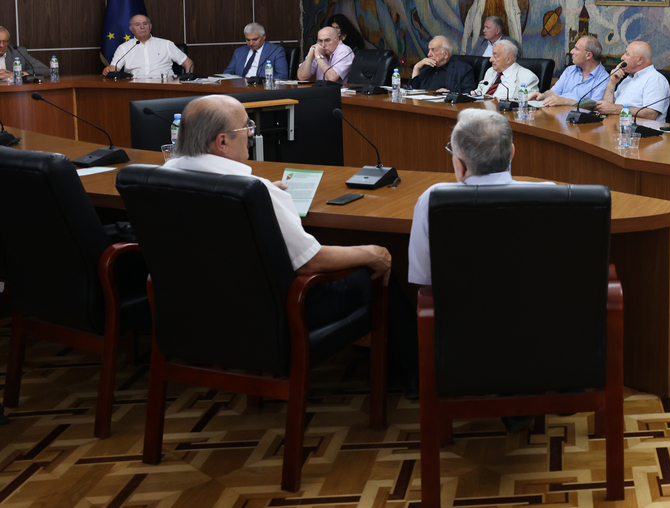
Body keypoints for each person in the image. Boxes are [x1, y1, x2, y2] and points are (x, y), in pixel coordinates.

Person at [163, 95, 416, 382]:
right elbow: (310, 262)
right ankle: (412, 376)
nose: (251, 134)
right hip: (278, 312)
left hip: (197, 307)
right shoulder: (256, 191)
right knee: (376, 270)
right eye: (246, 127)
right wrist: (372, 253)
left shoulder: (162, 178)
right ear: (222, 142)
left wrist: (262, 196)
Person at [407, 107, 547, 429]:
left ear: (459, 164)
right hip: (539, 335)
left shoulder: (433, 200)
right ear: (512, 152)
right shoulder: (551, 196)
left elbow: (424, 280)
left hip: (462, 338)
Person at [596, 39, 669, 121]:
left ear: (640, 60)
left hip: (640, 128)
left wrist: (616, 109)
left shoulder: (655, 79)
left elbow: (651, 114)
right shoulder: (628, 79)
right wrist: (611, 83)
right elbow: (607, 109)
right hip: (616, 126)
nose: (622, 58)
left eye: (627, 54)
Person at [103, 14, 192, 78]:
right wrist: (109, 69)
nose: (142, 27)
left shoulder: (166, 44)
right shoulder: (124, 48)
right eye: (137, 24)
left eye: (145, 24)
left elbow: (188, 63)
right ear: (131, 29)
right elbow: (114, 68)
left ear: (150, 26)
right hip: (135, 88)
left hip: (165, 86)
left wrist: (188, 79)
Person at [529, 34, 608, 106]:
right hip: (557, 113)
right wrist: (543, 95)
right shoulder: (570, 70)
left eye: (576, 49)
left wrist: (565, 101)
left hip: (578, 116)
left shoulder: (604, 79)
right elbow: (554, 92)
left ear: (588, 55)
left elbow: (594, 107)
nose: (571, 51)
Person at [471, 37, 539, 100]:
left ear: (508, 60)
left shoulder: (528, 77)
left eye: (495, 56)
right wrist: (475, 94)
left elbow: (529, 103)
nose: (490, 59)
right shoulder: (490, 71)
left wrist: (496, 100)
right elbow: (479, 91)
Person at [223, 22, 288, 80]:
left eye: (255, 39)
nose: (251, 43)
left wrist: (262, 81)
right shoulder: (239, 51)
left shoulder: (276, 51)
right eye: (248, 40)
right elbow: (227, 73)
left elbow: (282, 76)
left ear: (264, 36)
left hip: (262, 87)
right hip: (240, 86)